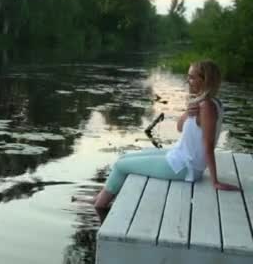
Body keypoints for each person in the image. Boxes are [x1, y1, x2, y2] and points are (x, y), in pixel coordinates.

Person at [92, 59, 239, 212]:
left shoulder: (207, 106)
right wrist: (187, 112)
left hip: (185, 167)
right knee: (124, 158)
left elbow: (208, 145)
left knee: (120, 166)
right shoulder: (206, 103)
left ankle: (99, 206)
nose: (187, 81)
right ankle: (98, 198)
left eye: (192, 77)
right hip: (180, 157)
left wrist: (215, 181)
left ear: (205, 80)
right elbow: (179, 128)